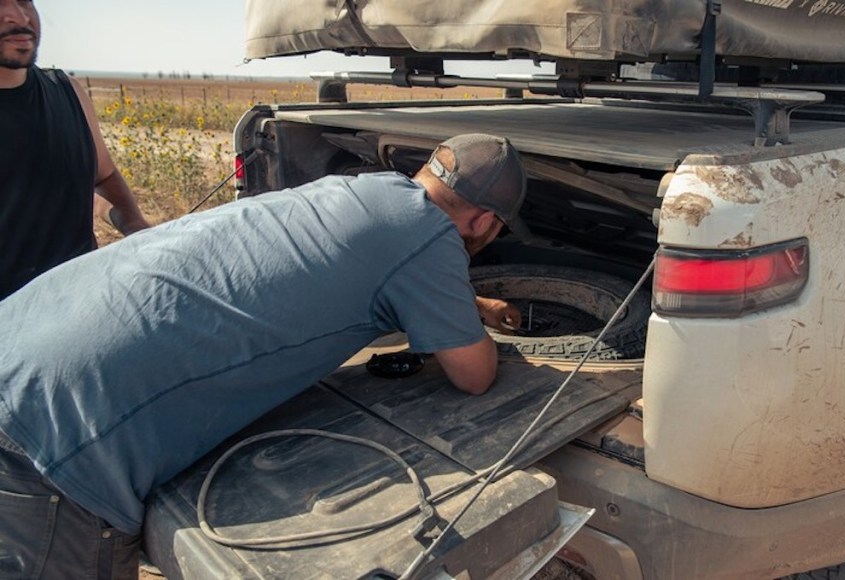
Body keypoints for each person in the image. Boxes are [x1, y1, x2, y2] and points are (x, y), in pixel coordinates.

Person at [0, 132, 526, 578]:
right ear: (483, 222)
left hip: (25, 337)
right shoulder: (429, 239)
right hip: (59, 437)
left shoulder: (362, 189)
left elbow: (373, 263)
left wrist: (467, 303)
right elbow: (475, 375)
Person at [0, 0, 151, 301]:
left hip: (82, 306)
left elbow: (102, 178)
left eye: (24, 1)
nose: (19, 16)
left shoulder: (67, 92)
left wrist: (136, 226)